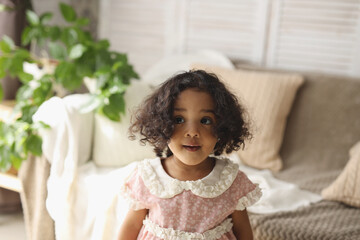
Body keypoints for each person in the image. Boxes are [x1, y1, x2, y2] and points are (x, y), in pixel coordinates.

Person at [118, 69, 262, 240]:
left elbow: (244, 233)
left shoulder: (230, 180)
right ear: (163, 124)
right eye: (179, 120)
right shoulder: (149, 177)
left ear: (222, 127)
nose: (192, 132)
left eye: (205, 121)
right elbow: (132, 226)